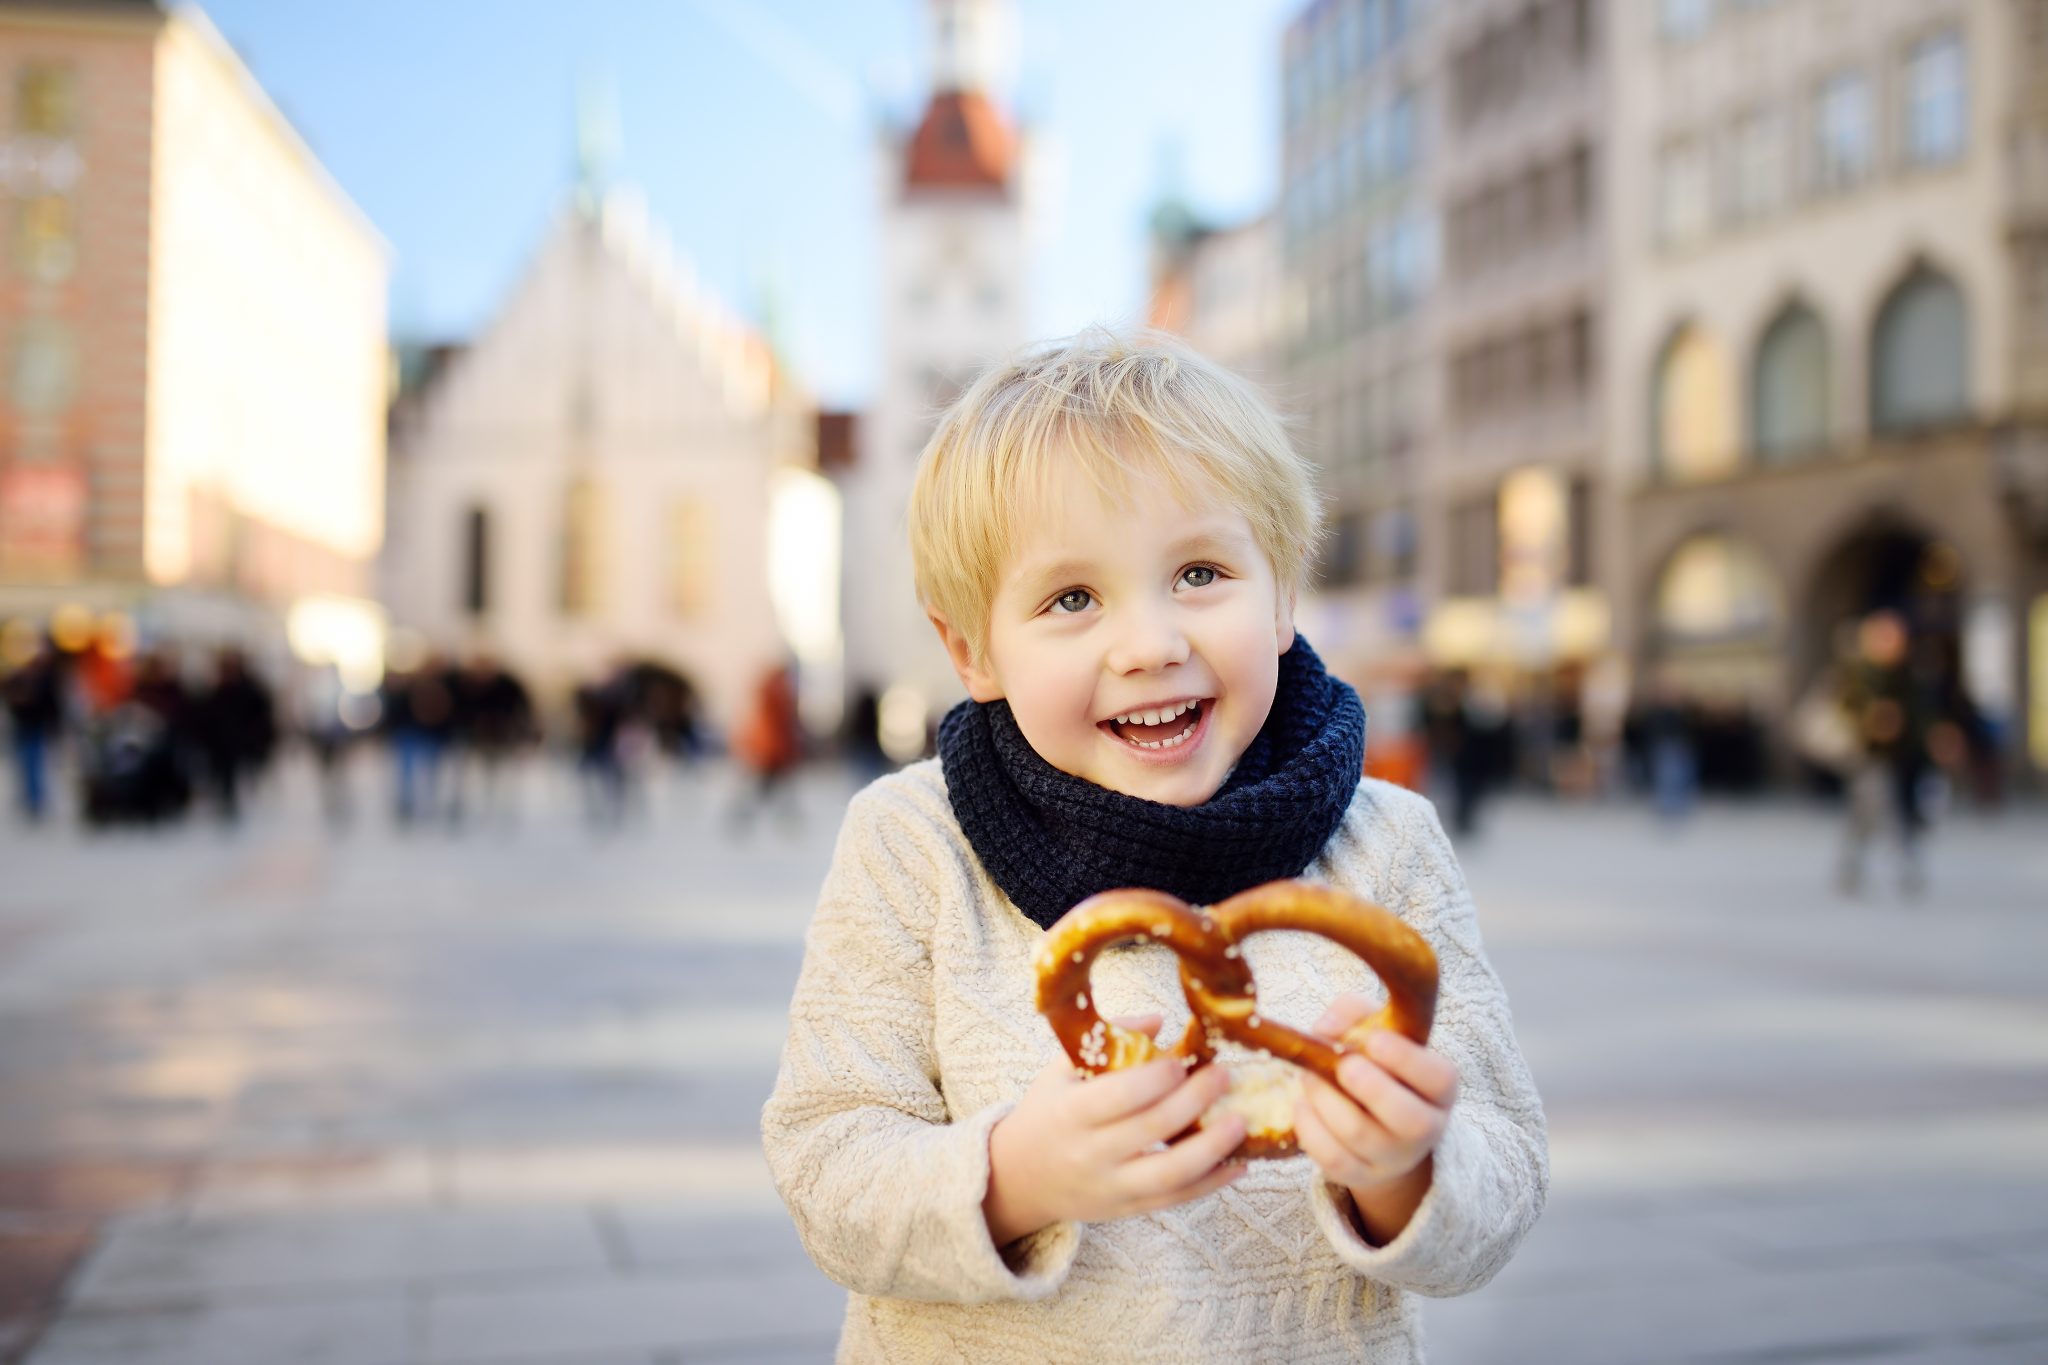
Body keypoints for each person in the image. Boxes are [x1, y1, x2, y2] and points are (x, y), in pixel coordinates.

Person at [760, 331, 1547, 1362]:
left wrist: (1403, 1166)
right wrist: (1017, 1175)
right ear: (971, 649)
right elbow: (826, 1164)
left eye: (1199, 573)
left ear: (1281, 598)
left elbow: (1505, 1171)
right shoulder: (913, 846)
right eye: (1071, 599)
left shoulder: (1385, 843)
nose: (1148, 644)